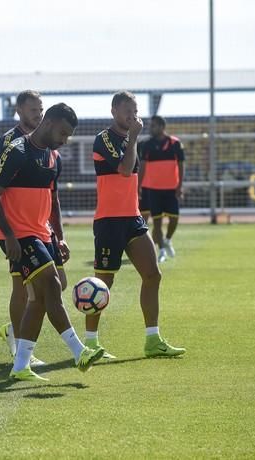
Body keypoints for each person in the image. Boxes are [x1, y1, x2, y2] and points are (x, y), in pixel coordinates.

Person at [0, 103, 104, 382]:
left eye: (68, 136)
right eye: (62, 133)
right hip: (18, 235)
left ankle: (21, 366)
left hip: (43, 233)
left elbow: (54, 201)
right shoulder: (16, 151)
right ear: (48, 122)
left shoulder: (54, 158)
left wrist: (59, 237)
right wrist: (10, 236)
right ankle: (79, 351)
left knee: (38, 299)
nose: (64, 140)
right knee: (51, 284)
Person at [87, 91, 185, 358]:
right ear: (114, 112)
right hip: (109, 220)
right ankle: (91, 343)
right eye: (127, 112)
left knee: (153, 274)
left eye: (135, 111)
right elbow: (124, 169)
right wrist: (133, 139)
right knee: (103, 283)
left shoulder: (131, 139)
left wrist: (132, 139)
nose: (132, 116)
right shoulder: (104, 138)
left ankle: (153, 340)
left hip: (132, 217)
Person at [0, 90, 70, 367]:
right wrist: (10, 232)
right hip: (19, 227)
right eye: (32, 110)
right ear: (19, 112)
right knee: (23, 286)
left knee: (58, 283)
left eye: (40, 109)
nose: (37, 114)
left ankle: (15, 331)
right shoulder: (10, 142)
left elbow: (53, 194)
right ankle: (19, 351)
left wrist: (59, 235)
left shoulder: (48, 145)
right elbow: (0, 189)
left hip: (41, 227)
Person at [138, 115, 185, 263]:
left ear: (162, 127)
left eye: (153, 126)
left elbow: (181, 165)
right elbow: (143, 167)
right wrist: (138, 186)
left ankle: (168, 239)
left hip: (171, 189)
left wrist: (180, 185)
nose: (150, 128)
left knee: (174, 219)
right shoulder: (147, 145)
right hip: (153, 190)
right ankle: (162, 251)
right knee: (156, 222)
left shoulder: (175, 143)